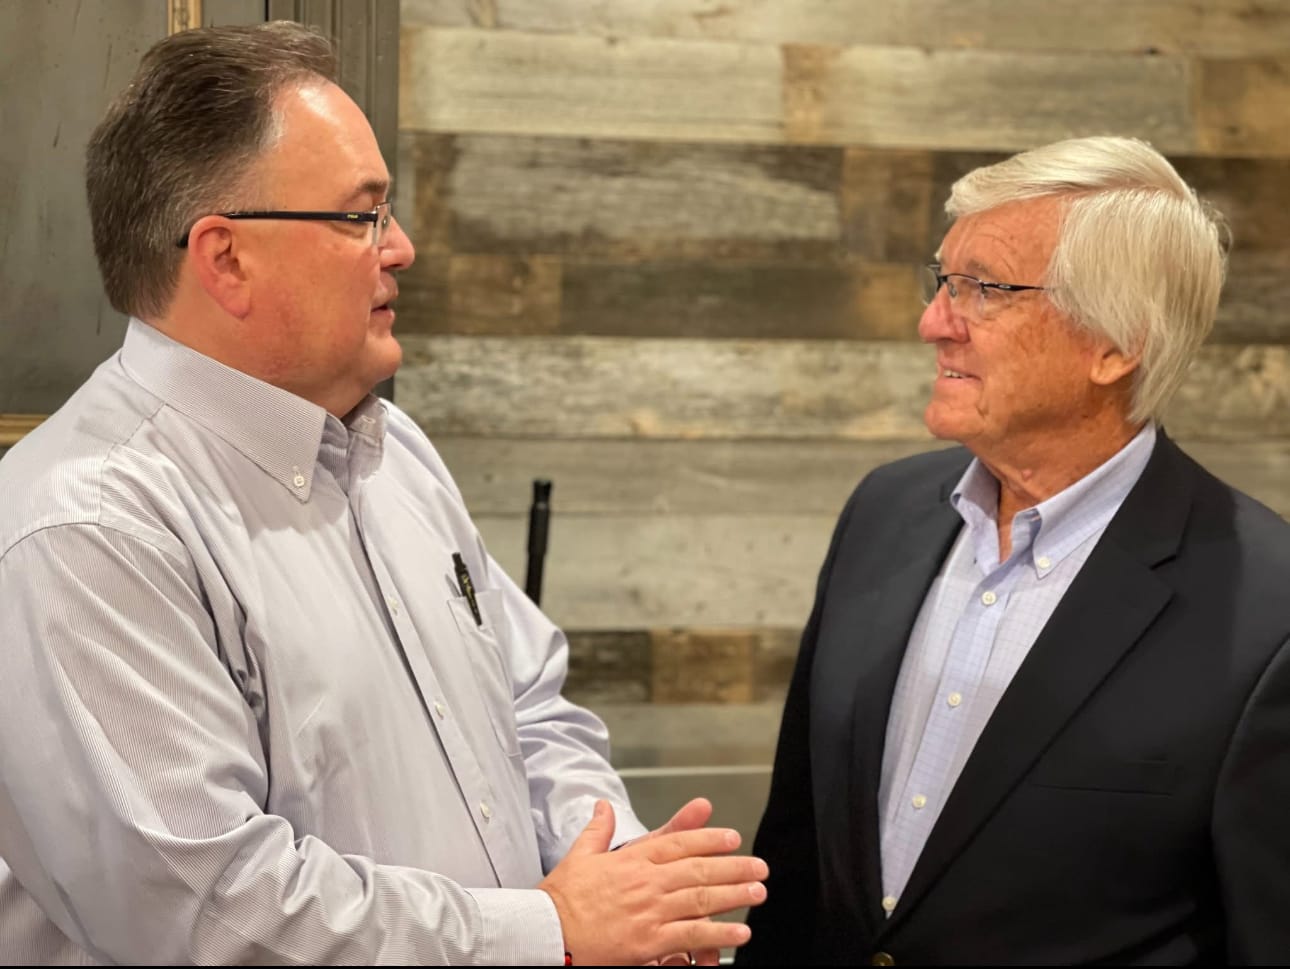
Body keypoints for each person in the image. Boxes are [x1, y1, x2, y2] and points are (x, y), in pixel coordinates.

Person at [0, 21, 767, 965]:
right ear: (226, 257)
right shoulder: (91, 522)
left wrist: (608, 863)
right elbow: (203, 909)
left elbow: (528, 704)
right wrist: (552, 930)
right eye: (360, 216)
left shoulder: (392, 449)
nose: (400, 247)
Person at [737, 136, 1290, 965]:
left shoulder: (1266, 608)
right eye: (942, 281)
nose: (933, 324)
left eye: (982, 290)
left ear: (1116, 344)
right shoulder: (884, 512)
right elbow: (799, 848)